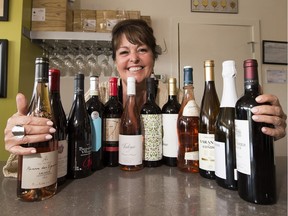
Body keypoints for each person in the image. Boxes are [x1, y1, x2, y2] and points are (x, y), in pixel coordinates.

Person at [3, 19, 287, 160]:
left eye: (142, 49)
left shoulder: (178, 102)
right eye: (124, 52)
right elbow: (65, 145)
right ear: (115, 61)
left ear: (154, 57)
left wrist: (260, 131)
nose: (134, 59)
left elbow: (216, 139)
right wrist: (22, 136)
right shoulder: (93, 100)